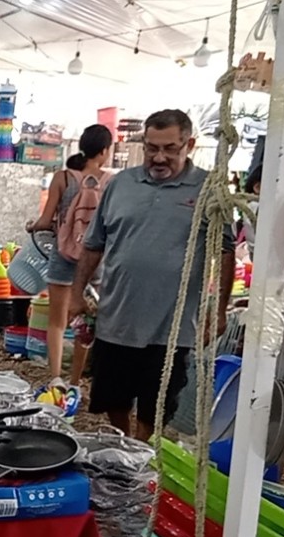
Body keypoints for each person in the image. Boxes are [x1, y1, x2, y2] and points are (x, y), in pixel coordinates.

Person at [72, 109, 236, 441]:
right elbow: (94, 245)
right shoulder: (121, 184)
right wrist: (76, 294)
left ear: (188, 144)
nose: (159, 157)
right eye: (151, 148)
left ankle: (142, 452)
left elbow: (226, 250)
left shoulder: (209, 189)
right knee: (111, 395)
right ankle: (123, 443)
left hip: (172, 325)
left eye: (170, 148)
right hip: (117, 316)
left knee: (157, 403)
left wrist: (218, 311)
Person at [27, 123, 113, 386]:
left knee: (57, 320)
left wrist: (33, 226)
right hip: (95, 259)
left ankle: (56, 378)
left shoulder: (62, 178)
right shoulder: (110, 181)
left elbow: (45, 220)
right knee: (85, 320)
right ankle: (76, 381)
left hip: (64, 254)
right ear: (105, 151)